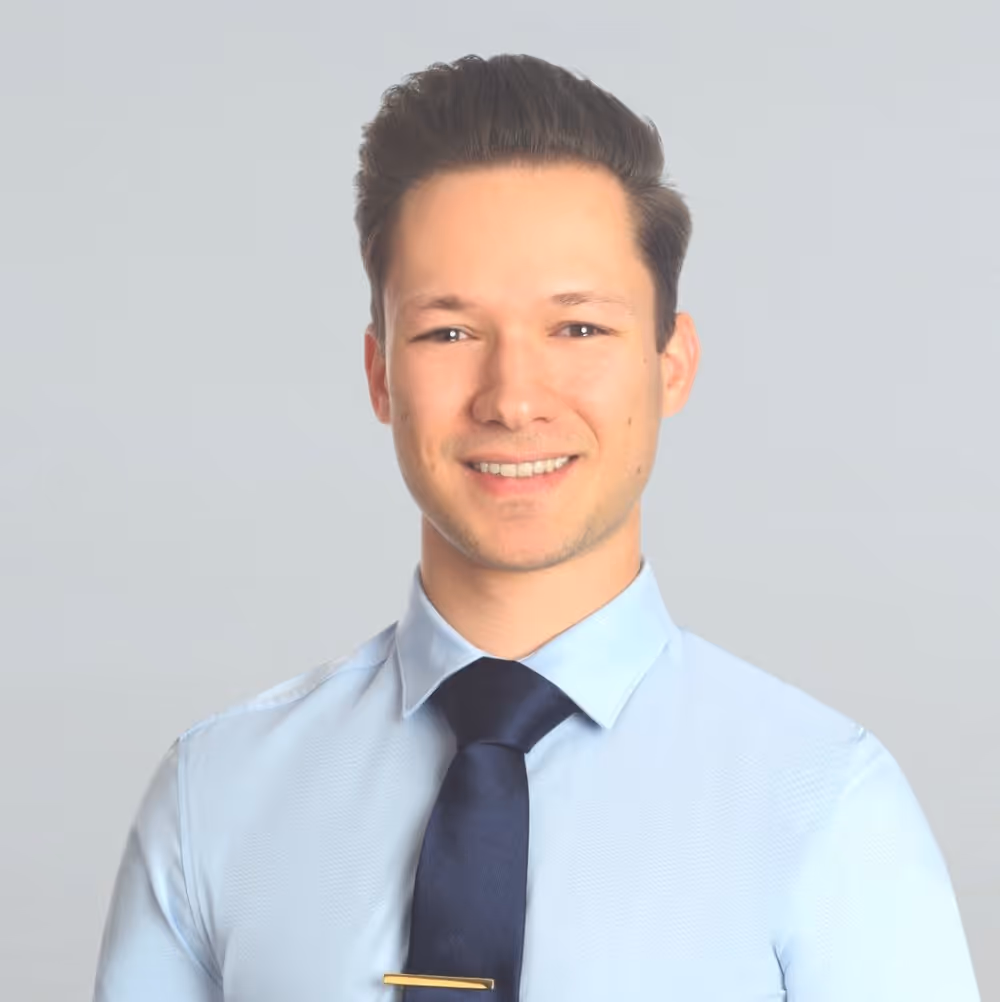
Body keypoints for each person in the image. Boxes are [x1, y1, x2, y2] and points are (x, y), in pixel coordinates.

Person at [93, 53, 981, 1001]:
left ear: (671, 364)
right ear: (379, 373)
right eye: (449, 332)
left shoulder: (825, 805)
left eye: (579, 330)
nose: (513, 399)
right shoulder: (215, 796)